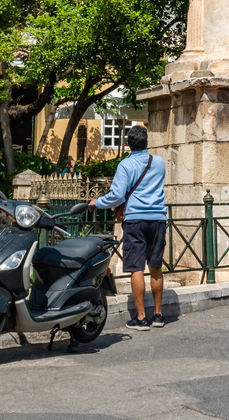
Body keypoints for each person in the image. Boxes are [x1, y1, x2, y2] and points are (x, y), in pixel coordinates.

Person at [90, 125, 167, 330]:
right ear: (147, 142)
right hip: (158, 219)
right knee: (156, 267)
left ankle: (141, 318)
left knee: (136, 268)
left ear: (128, 144)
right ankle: (158, 315)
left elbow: (117, 195)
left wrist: (96, 202)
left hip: (136, 220)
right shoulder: (159, 162)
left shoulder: (125, 165)